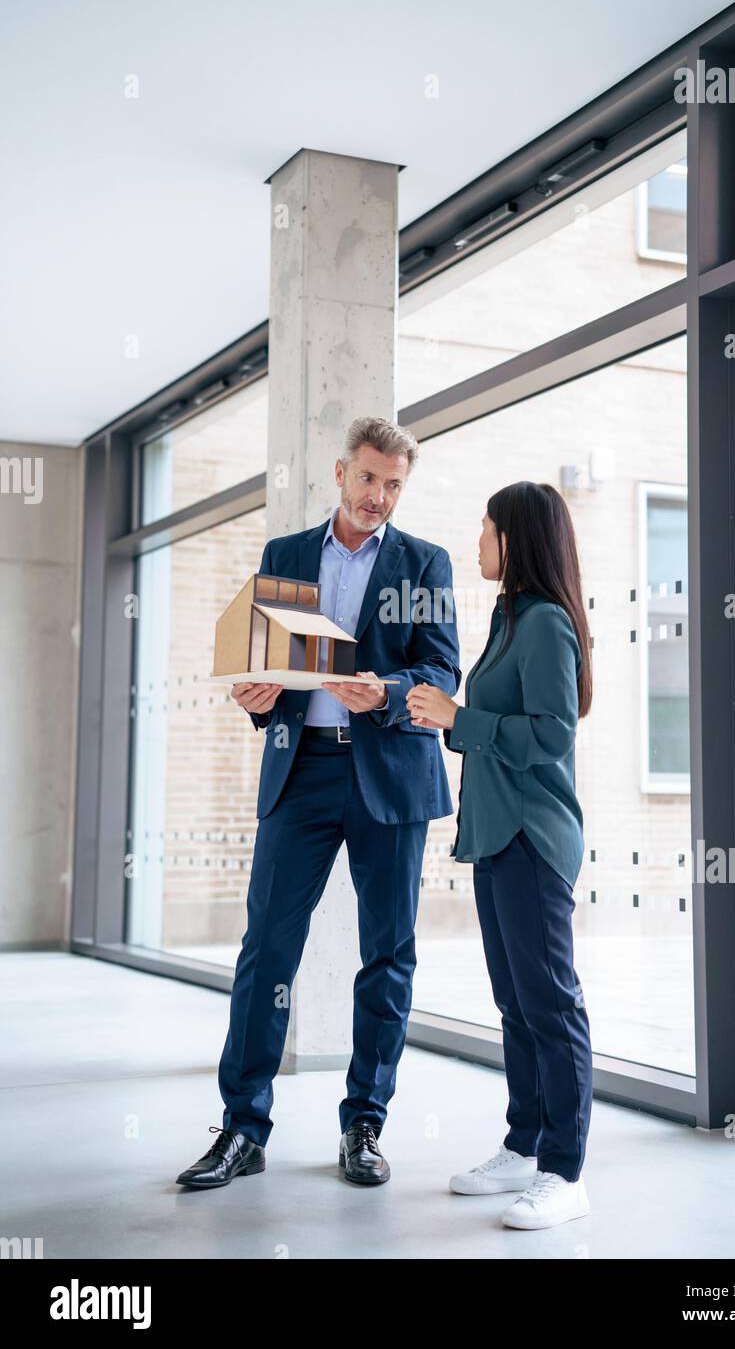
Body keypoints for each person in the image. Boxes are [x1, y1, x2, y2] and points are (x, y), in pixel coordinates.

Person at [176, 418, 461, 1191]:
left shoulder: (423, 563)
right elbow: (267, 666)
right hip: (299, 773)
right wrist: (255, 695)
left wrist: (389, 691)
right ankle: (242, 1129)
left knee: (387, 955)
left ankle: (364, 1125)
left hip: (389, 778)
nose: (379, 497)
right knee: (266, 950)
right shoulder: (288, 556)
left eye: (394, 485)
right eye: (368, 479)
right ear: (341, 472)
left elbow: (442, 668)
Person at [406, 481, 593, 1230]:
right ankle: (523, 1145)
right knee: (514, 1004)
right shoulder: (507, 617)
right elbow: (488, 723)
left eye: (486, 530)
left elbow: (551, 736)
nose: (477, 543)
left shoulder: (546, 622)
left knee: (550, 1003)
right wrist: (447, 718)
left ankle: (565, 1170)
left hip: (533, 838)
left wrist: (462, 717)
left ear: (515, 539)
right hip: (494, 836)